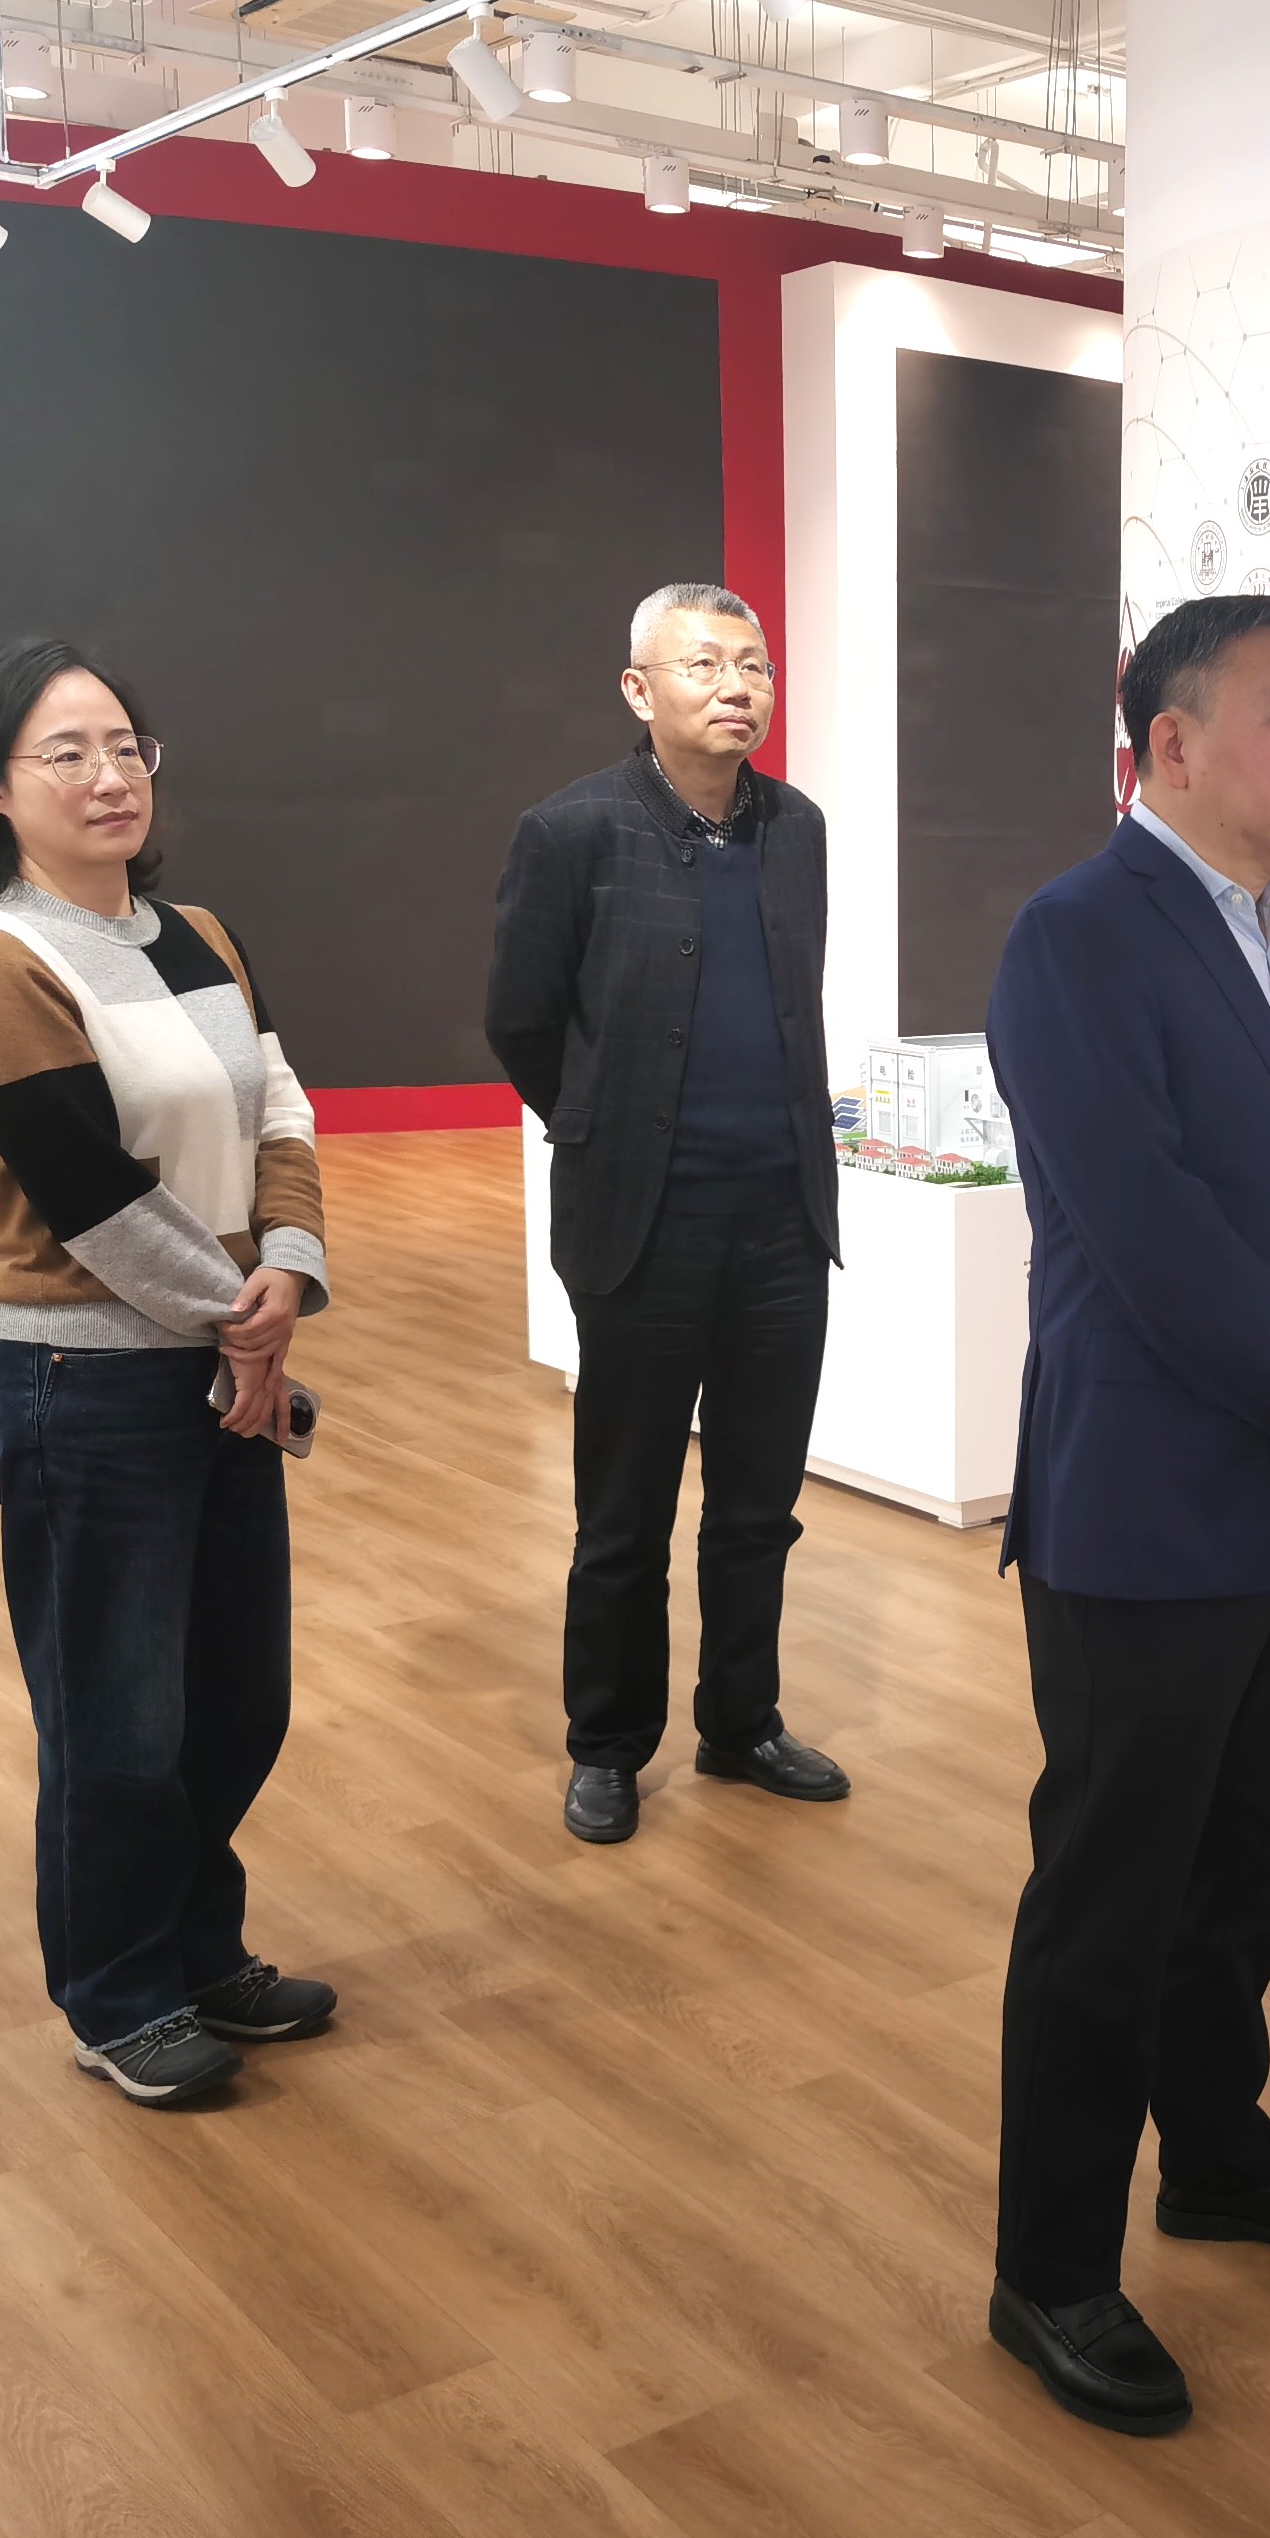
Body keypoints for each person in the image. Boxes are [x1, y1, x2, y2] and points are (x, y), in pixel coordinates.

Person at [981, 593, 1270, 2435]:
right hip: (1152, 1507)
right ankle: (1051, 2268)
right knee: (1112, 1893)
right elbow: (1144, 1222)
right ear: (1167, 744)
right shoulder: (1075, 938)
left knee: (1248, 1864)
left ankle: (1220, 2153)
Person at [0, 637, 338, 2108]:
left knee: (236, 1700)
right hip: (83, 1382)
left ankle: (196, 1948)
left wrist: (289, 1266)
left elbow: (278, 1105)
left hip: (223, 1354)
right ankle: (117, 1993)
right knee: (117, 1716)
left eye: (125, 747)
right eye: (67, 754)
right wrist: (245, 1323)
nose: (109, 777)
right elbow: (89, 1201)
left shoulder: (199, 933)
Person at [486, 583, 848, 1846]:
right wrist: (603, 1126)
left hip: (783, 1221)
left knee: (759, 1505)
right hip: (643, 1225)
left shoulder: (798, 829)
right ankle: (607, 1743)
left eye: (754, 664)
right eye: (705, 665)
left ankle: (741, 1722)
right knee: (625, 1512)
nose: (738, 686)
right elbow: (521, 1021)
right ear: (640, 690)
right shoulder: (571, 830)